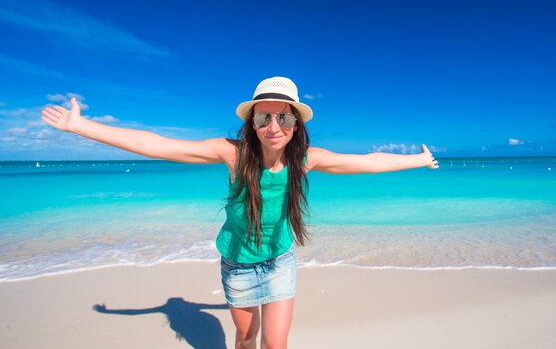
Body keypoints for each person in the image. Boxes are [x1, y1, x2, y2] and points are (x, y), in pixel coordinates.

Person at [41, 76, 439, 349]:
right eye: (263, 116)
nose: (273, 125)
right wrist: (83, 127)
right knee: (246, 340)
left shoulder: (306, 160)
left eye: (283, 116)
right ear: (252, 122)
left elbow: (366, 163)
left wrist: (419, 161)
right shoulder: (232, 153)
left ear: (296, 124)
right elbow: (160, 145)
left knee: (275, 343)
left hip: (280, 261)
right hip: (239, 266)